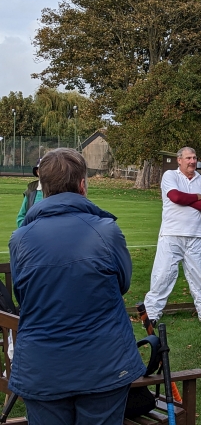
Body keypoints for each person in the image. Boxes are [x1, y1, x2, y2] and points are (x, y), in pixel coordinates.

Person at [8, 148, 145, 424]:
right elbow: (123, 283)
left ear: (44, 188)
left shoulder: (20, 238)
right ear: (83, 185)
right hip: (102, 362)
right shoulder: (106, 231)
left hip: (45, 364)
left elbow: (22, 294)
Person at [144, 147, 201, 327]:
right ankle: (151, 315)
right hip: (171, 234)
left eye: (194, 158)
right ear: (179, 160)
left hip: (196, 235)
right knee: (163, 276)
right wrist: (196, 197)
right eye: (188, 158)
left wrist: (186, 201)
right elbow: (175, 197)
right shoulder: (170, 176)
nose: (192, 161)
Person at [16, 158, 43, 227]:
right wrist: (29, 229)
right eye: (41, 169)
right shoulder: (31, 190)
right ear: (37, 172)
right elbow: (21, 217)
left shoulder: (58, 190)